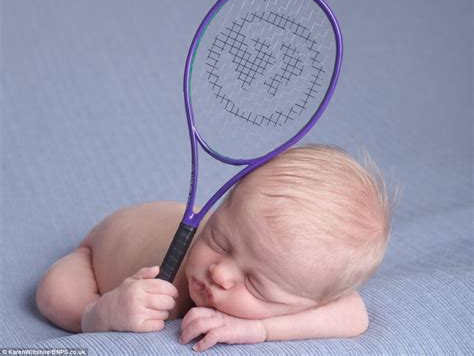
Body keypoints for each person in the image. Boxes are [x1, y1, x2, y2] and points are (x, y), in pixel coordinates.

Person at [36, 144, 396, 352]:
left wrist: (262, 331)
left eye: (255, 284)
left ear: (310, 300)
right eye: (220, 239)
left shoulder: (301, 281)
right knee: (55, 293)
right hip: (102, 250)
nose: (219, 272)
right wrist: (104, 313)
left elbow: (354, 314)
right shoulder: (173, 281)